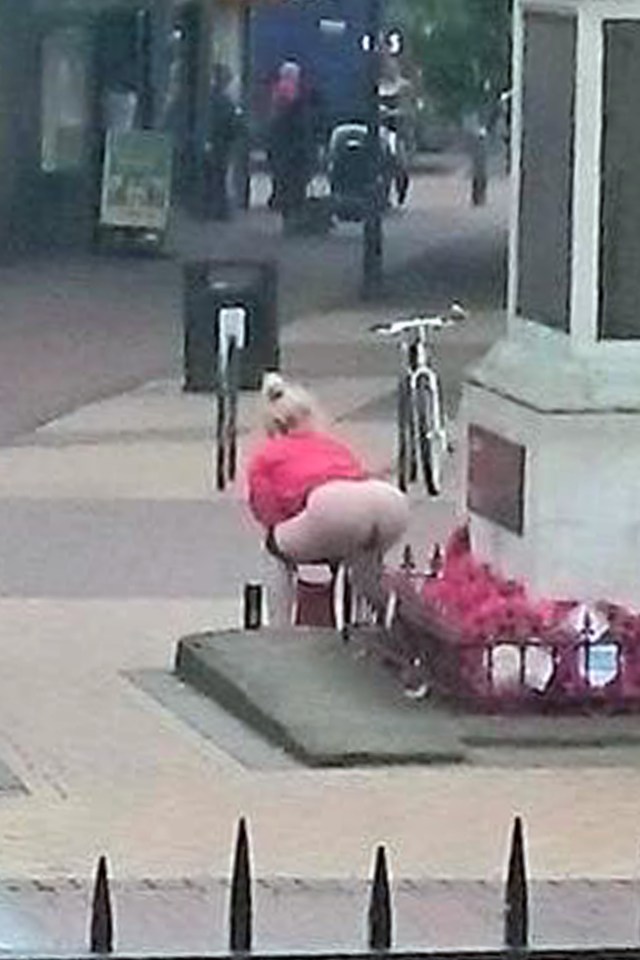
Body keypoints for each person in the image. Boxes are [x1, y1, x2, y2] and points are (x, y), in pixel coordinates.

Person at [246, 373, 410, 625]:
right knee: (363, 558)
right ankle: (384, 621)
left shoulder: (266, 456)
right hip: (388, 501)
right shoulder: (334, 445)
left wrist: (294, 526)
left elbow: (267, 514)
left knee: (273, 549)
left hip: (331, 505)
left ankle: (279, 630)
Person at [266, 61, 316, 231]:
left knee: (284, 180)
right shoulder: (291, 93)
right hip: (293, 148)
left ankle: (288, 215)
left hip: (282, 144)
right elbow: (297, 120)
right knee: (295, 184)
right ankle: (293, 218)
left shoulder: (278, 90)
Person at [204, 63, 239, 220]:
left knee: (215, 178)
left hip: (215, 142)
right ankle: (220, 211)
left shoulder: (209, 98)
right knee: (220, 178)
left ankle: (214, 209)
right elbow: (232, 124)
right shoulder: (225, 101)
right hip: (221, 143)